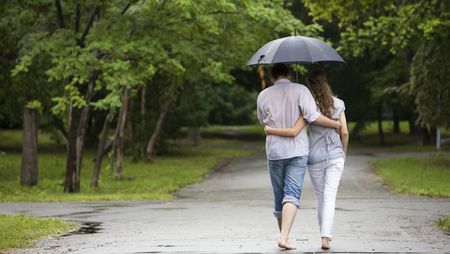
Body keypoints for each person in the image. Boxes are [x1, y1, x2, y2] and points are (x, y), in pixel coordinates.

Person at [256, 64, 340, 250]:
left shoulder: (263, 95)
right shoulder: (301, 90)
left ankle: (284, 236)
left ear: (272, 77)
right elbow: (313, 116)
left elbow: (262, 120)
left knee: (279, 196)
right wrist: (335, 124)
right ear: (289, 74)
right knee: (292, 194)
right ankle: (284, 237)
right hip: (296, 151)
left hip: (274, 152)